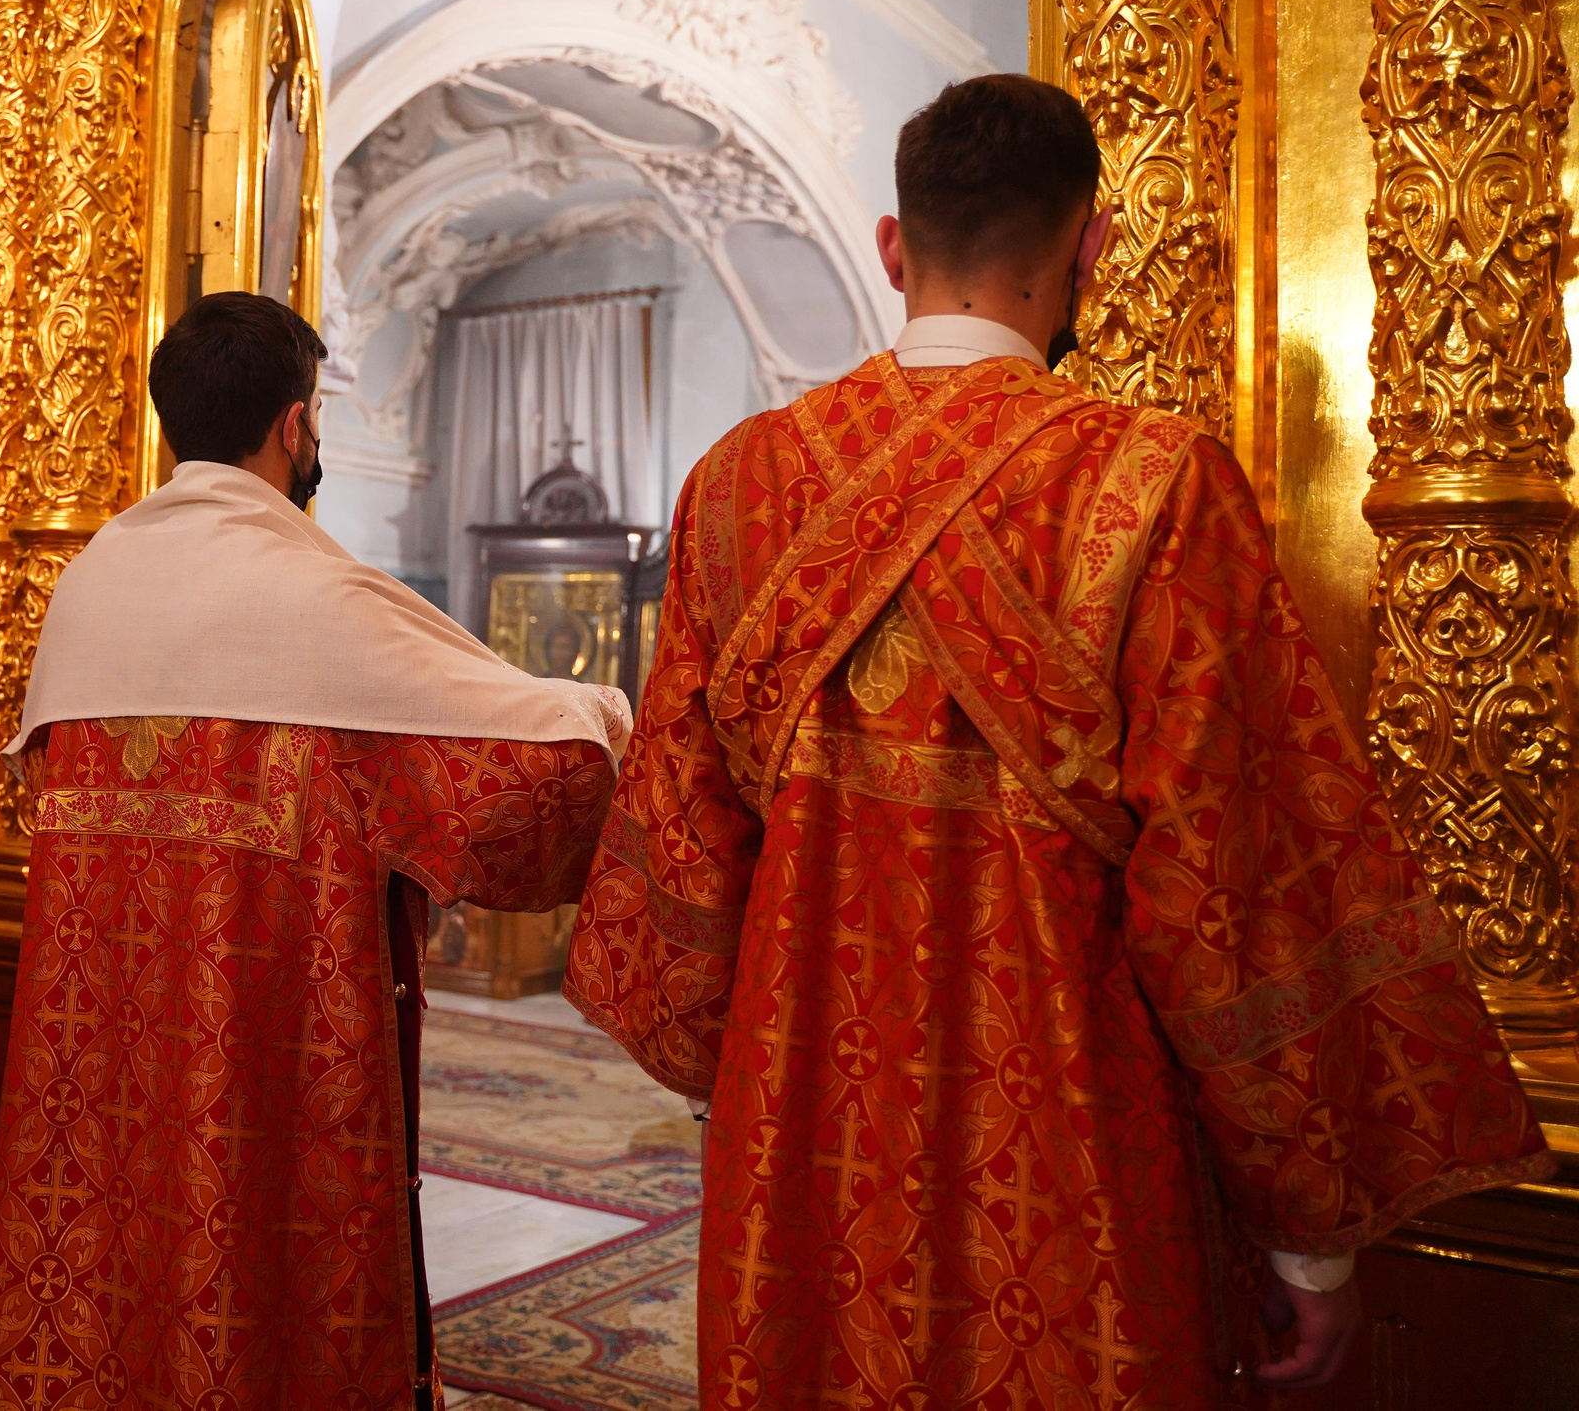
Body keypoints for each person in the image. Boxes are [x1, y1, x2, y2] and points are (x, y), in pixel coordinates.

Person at [564, 75, 1551, 1408]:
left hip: (802, 1154)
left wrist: (722, 1081)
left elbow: (681, 853)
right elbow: (1236, 894)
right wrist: (1309, 1241)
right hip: (1076, 1164)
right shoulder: (1156, 482)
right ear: (1091, 245)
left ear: (895, 248)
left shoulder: (740, 481)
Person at [0, 292, 631, 1410]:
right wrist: (621, 724)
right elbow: (528, 770)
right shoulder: (315, 597)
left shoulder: (85, 592)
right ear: (291, 425)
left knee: (103, 1294)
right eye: (314, 417)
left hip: (100, 1083)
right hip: (259, 1086)